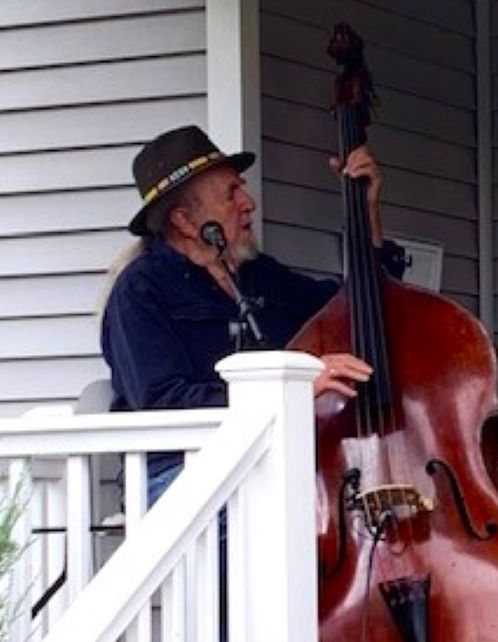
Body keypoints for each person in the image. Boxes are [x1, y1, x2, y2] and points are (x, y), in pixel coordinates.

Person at [101, 123, 400, 497]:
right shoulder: (140, 291)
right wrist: (289, 387)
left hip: (272, 460)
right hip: (185, 475)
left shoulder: (257, 273)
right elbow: (164, 403)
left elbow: (358, 307)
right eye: (231, 193)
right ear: (184, 221)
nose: (248, 201)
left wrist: (366, 209)